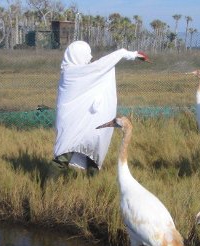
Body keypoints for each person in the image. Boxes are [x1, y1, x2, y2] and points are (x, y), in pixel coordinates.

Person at [45, 41, 150, 184]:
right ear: (78, 55)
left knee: (88, 151)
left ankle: (90, 187)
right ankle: (48, 189)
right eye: (86, 54)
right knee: (65, 153)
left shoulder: (72, 71)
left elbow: (99, 66)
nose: (90, 57)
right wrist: (129, 54)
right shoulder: (74, 72)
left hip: (82, 120)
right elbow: (102, 64)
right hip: (72, 122)